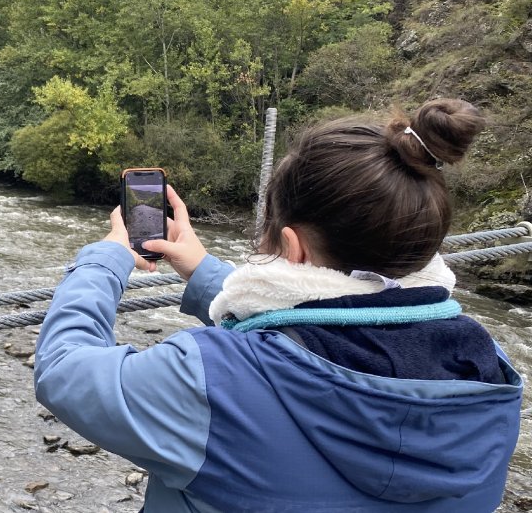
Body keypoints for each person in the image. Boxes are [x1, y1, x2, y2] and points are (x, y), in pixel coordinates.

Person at [34, 99, 523, 512]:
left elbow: (63, 369)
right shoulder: (487, 370)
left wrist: (107, 259)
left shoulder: (204, 379)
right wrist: (204, 271)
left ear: (294, 250)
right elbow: (333, 317)